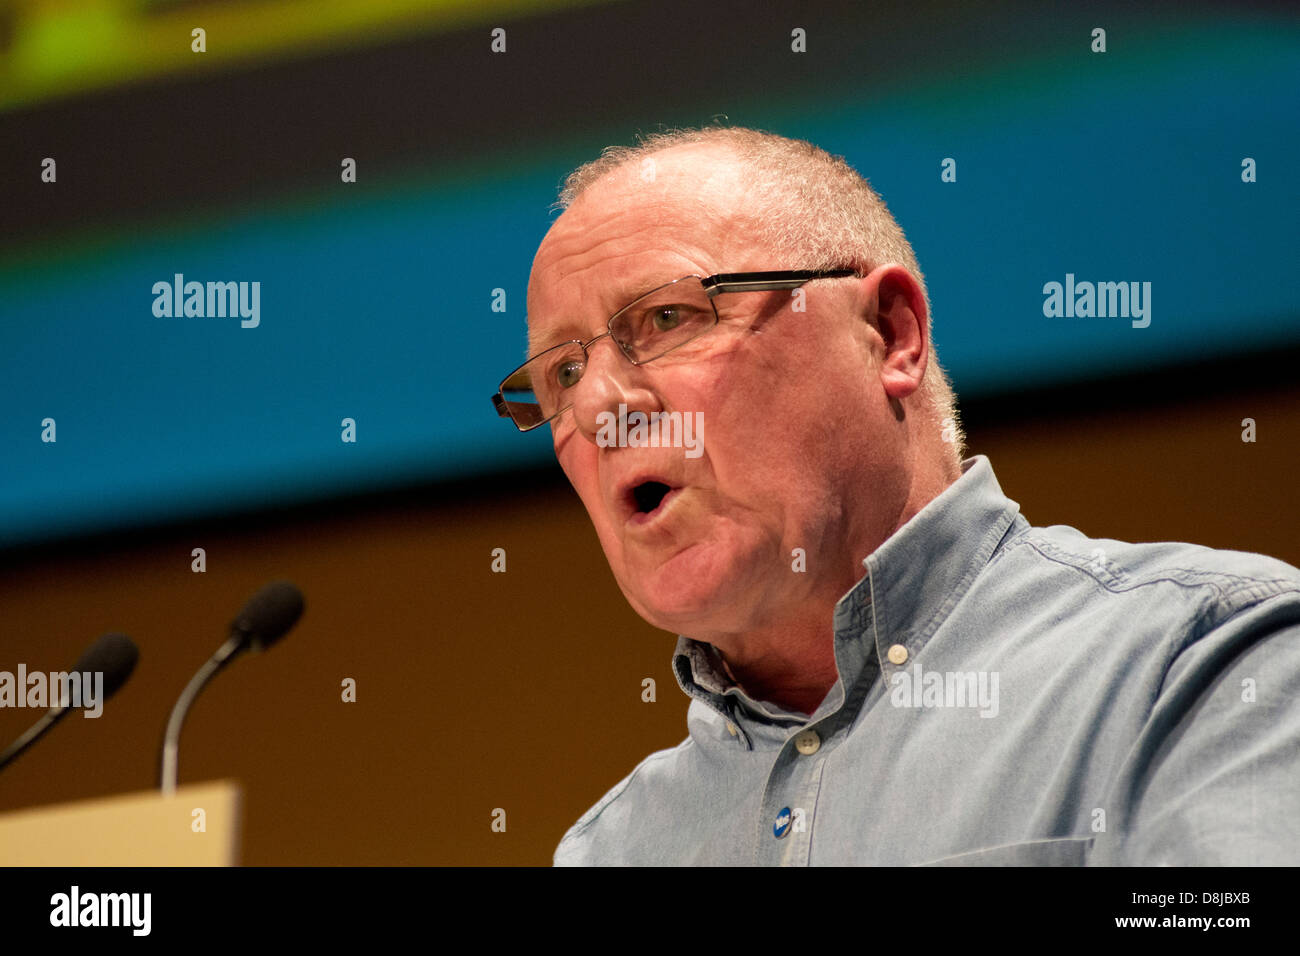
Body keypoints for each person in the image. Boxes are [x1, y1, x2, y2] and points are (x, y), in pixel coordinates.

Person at [491, 126, 1300, 865]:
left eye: (667, 317)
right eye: (561, 373)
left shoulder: (1206, 662)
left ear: (890, 334)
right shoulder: (610, 850)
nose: (598, 408)